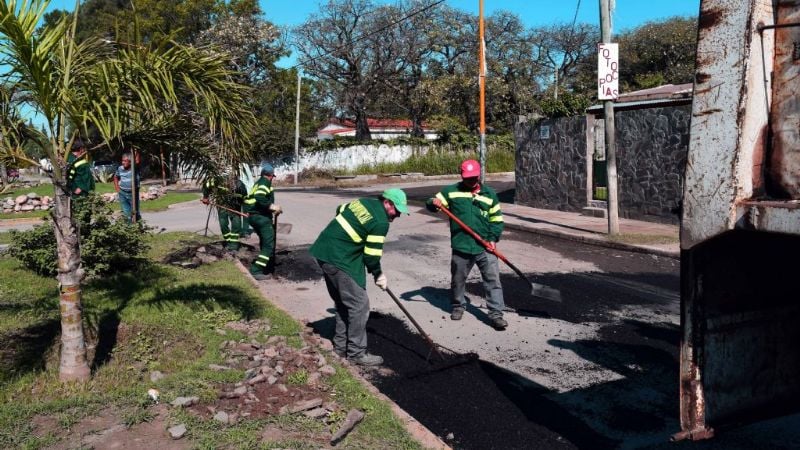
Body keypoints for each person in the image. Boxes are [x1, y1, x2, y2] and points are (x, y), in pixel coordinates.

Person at [309, 188, 409, 366]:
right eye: (397, 210)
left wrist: (352, 235)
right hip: (340, 259)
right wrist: (379, 275)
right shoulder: (381, 222)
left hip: (323, 252)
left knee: (342, 302)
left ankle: (340, 347)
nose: (398, 215)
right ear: (387, 203)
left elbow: (340, 209)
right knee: (360, 305)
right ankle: (356, 353)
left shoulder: (363, 202)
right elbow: (371, 256)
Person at [426, 159, 508, 330]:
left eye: (473, 178)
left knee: (493, 280)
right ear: (461, 176)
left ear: (479, 176)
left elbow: (497, 220)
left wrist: (493, 238)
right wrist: (433, 202)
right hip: (461, 245)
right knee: (458, 280)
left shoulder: (489, 194)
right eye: (467, 178)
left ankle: (496, 314)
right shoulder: (451, 191)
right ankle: (458, 306)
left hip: (485, 246)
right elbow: (433, 203)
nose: (470, 181)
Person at [243, 163, 282, 280]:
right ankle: (256, 270)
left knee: (264, 242)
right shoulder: (265, 182)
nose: (272, 179)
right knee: (268, 245)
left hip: (254, 217)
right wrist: (271, 206)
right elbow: (260, 197)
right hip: (261, 218)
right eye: (272, 177)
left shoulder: (257, 183)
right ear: (270, 176)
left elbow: (251, 199)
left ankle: (265, 264)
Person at [202, 170, 248, 251]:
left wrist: (245, 208)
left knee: (236, 225)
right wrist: (205, 197)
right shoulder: (217, 181)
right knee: (223, 224)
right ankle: (228, 241)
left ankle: (233, 245)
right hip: (222, 205)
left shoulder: (240, 185)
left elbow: (245, 198)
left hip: (235, 207)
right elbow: (206, 185)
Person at [114, 152, 141, 223]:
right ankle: (129, 230)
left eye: (125, 161)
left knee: (135, 212)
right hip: (122, 193)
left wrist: (136, 151)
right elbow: (116, 177)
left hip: (133, 193)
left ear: (130, 162)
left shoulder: (134, 168)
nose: (123, 162)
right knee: (126, 214)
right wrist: (117, 188)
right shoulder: (120, 168)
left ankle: (138, 229)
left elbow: (137, 161)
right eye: (122, 160)